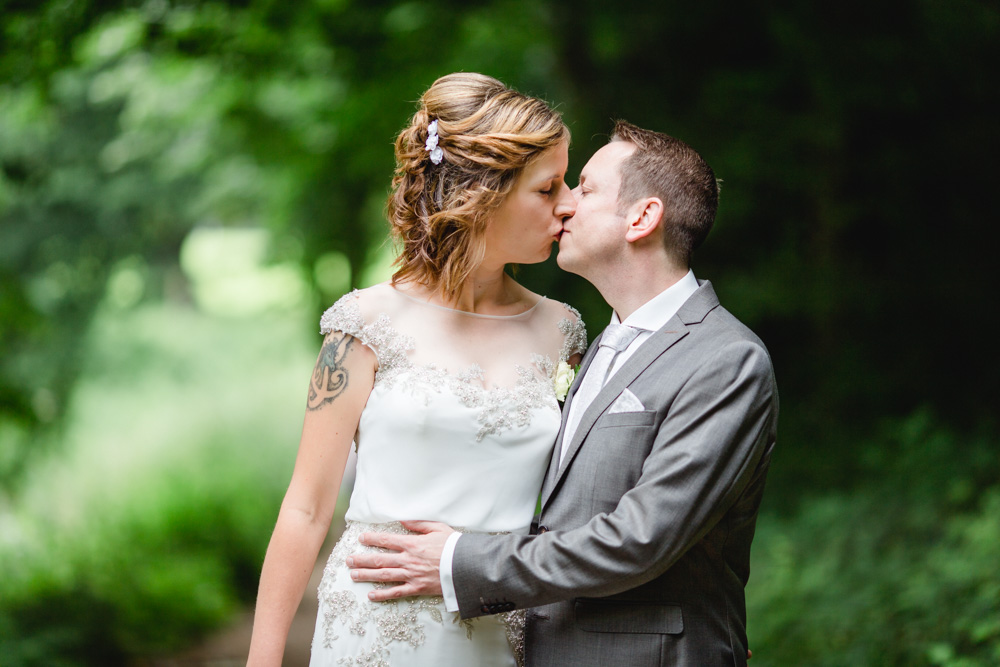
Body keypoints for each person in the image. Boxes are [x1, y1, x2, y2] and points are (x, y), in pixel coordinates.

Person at [348, 121, 778, 666]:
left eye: (586, 188)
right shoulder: (595, 344)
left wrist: (462, 559)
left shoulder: (726, 359)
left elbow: (641, 539)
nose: (566, 205)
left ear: (642, 218)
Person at [245, 72, 587, 667]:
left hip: (499, 630)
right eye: (548, 187)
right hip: (373, 628)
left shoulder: (563, 331)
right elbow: (305, 508)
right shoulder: (362, 324)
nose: (569, 204)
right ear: (483, 192)